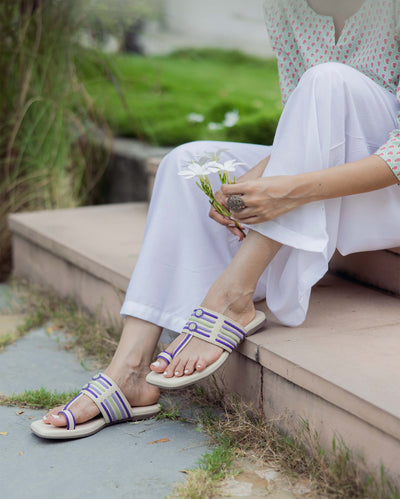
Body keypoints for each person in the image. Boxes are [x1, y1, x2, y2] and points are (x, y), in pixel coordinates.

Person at [31, 0, 400, 438]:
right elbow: (308, 120)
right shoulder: (286, 8)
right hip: (336, 174)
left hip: (385, 188)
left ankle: (232, 296)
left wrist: (288, 190)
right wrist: (254, 181)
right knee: (190, 163)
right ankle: (128, 369)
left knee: (329, 78)